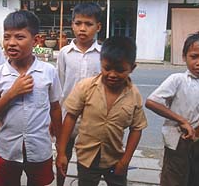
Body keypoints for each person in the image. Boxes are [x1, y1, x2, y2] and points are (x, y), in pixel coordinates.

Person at [0, 10, 63, 186]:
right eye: (7, 37)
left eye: (19, 37)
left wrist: (61, 148)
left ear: (35, 40)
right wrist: (12, 93)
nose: (11, 43)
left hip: (40, 148)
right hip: (8, 149)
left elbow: (55, 108)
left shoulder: (48, 72)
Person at [56, 36, 148, 186]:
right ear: (101, 63)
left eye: (120, 70)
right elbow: (70, 117)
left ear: (132, 68)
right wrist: (61, 153)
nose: (112, 74)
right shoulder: (85, 87)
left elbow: (137, 128)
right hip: (86, 158)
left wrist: (125, 160)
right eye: (107, 68)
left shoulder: (134, 95)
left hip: (115, 158)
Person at [56, 2, 102, 186]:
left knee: (89, 161)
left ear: (98, 27)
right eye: (78, 23)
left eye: (88, 24)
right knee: (62, 155)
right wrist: (55, 119)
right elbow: (59, 87)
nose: (82, 28)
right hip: (67, 116)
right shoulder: (64, 54)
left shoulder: (102, 53)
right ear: (72, 24)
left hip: (92, 119)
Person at [145, 32, 199, 186]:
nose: (198, 62)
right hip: (178, 141)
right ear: (184, 57)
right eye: (194, 57)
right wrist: (181, 120)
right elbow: (152, 102)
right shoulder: (178, 80)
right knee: (173, 178)